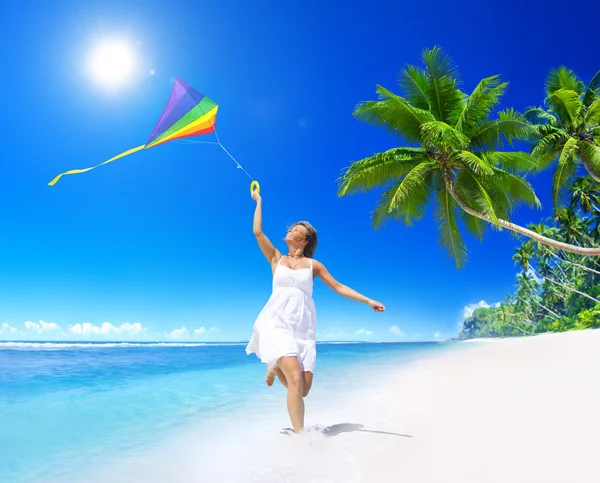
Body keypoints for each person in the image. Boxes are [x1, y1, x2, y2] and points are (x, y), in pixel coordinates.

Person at [245, 188, 385, 434]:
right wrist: (259, 201)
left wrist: (368, 300)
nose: (289, 230)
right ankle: (300, 437)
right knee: (296, 381)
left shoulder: (314, 266)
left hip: (303, 327)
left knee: (303, 389)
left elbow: (339, 287)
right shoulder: (276, 259)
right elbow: (257, 232)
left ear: (304, 239)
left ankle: (274, 366)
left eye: (296, 229)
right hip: (276, 322)